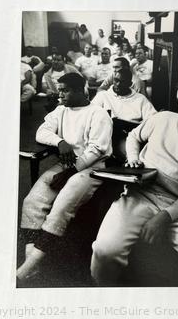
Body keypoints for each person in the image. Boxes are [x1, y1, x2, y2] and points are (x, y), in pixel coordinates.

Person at [91, 77, 178, 286]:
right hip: (139, 194)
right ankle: (104, 295)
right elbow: (134, 136)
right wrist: (132, 158)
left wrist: (165, 217)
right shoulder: (163, 118)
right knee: (105, 251)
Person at [17, 73, 113, 281]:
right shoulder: (60, 110)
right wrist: (60, 142)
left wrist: (71, 170)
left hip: (93, 170)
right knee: (32, 202)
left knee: (61, 207)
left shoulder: (98, 114)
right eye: (59, 89)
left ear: (80, 90)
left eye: (65, 90)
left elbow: (97, 149)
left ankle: (28, 268)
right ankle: (30, 261)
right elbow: (41, 132)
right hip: (67, 165)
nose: (59, 93)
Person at [91, 68, 156, 122]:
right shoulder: (103, 96)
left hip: (133, 134)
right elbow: (90, 115)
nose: (118, 84)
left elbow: (152, 118)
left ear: (130, 84)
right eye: (116, 80)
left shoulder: (141, 99)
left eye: (122, 82)